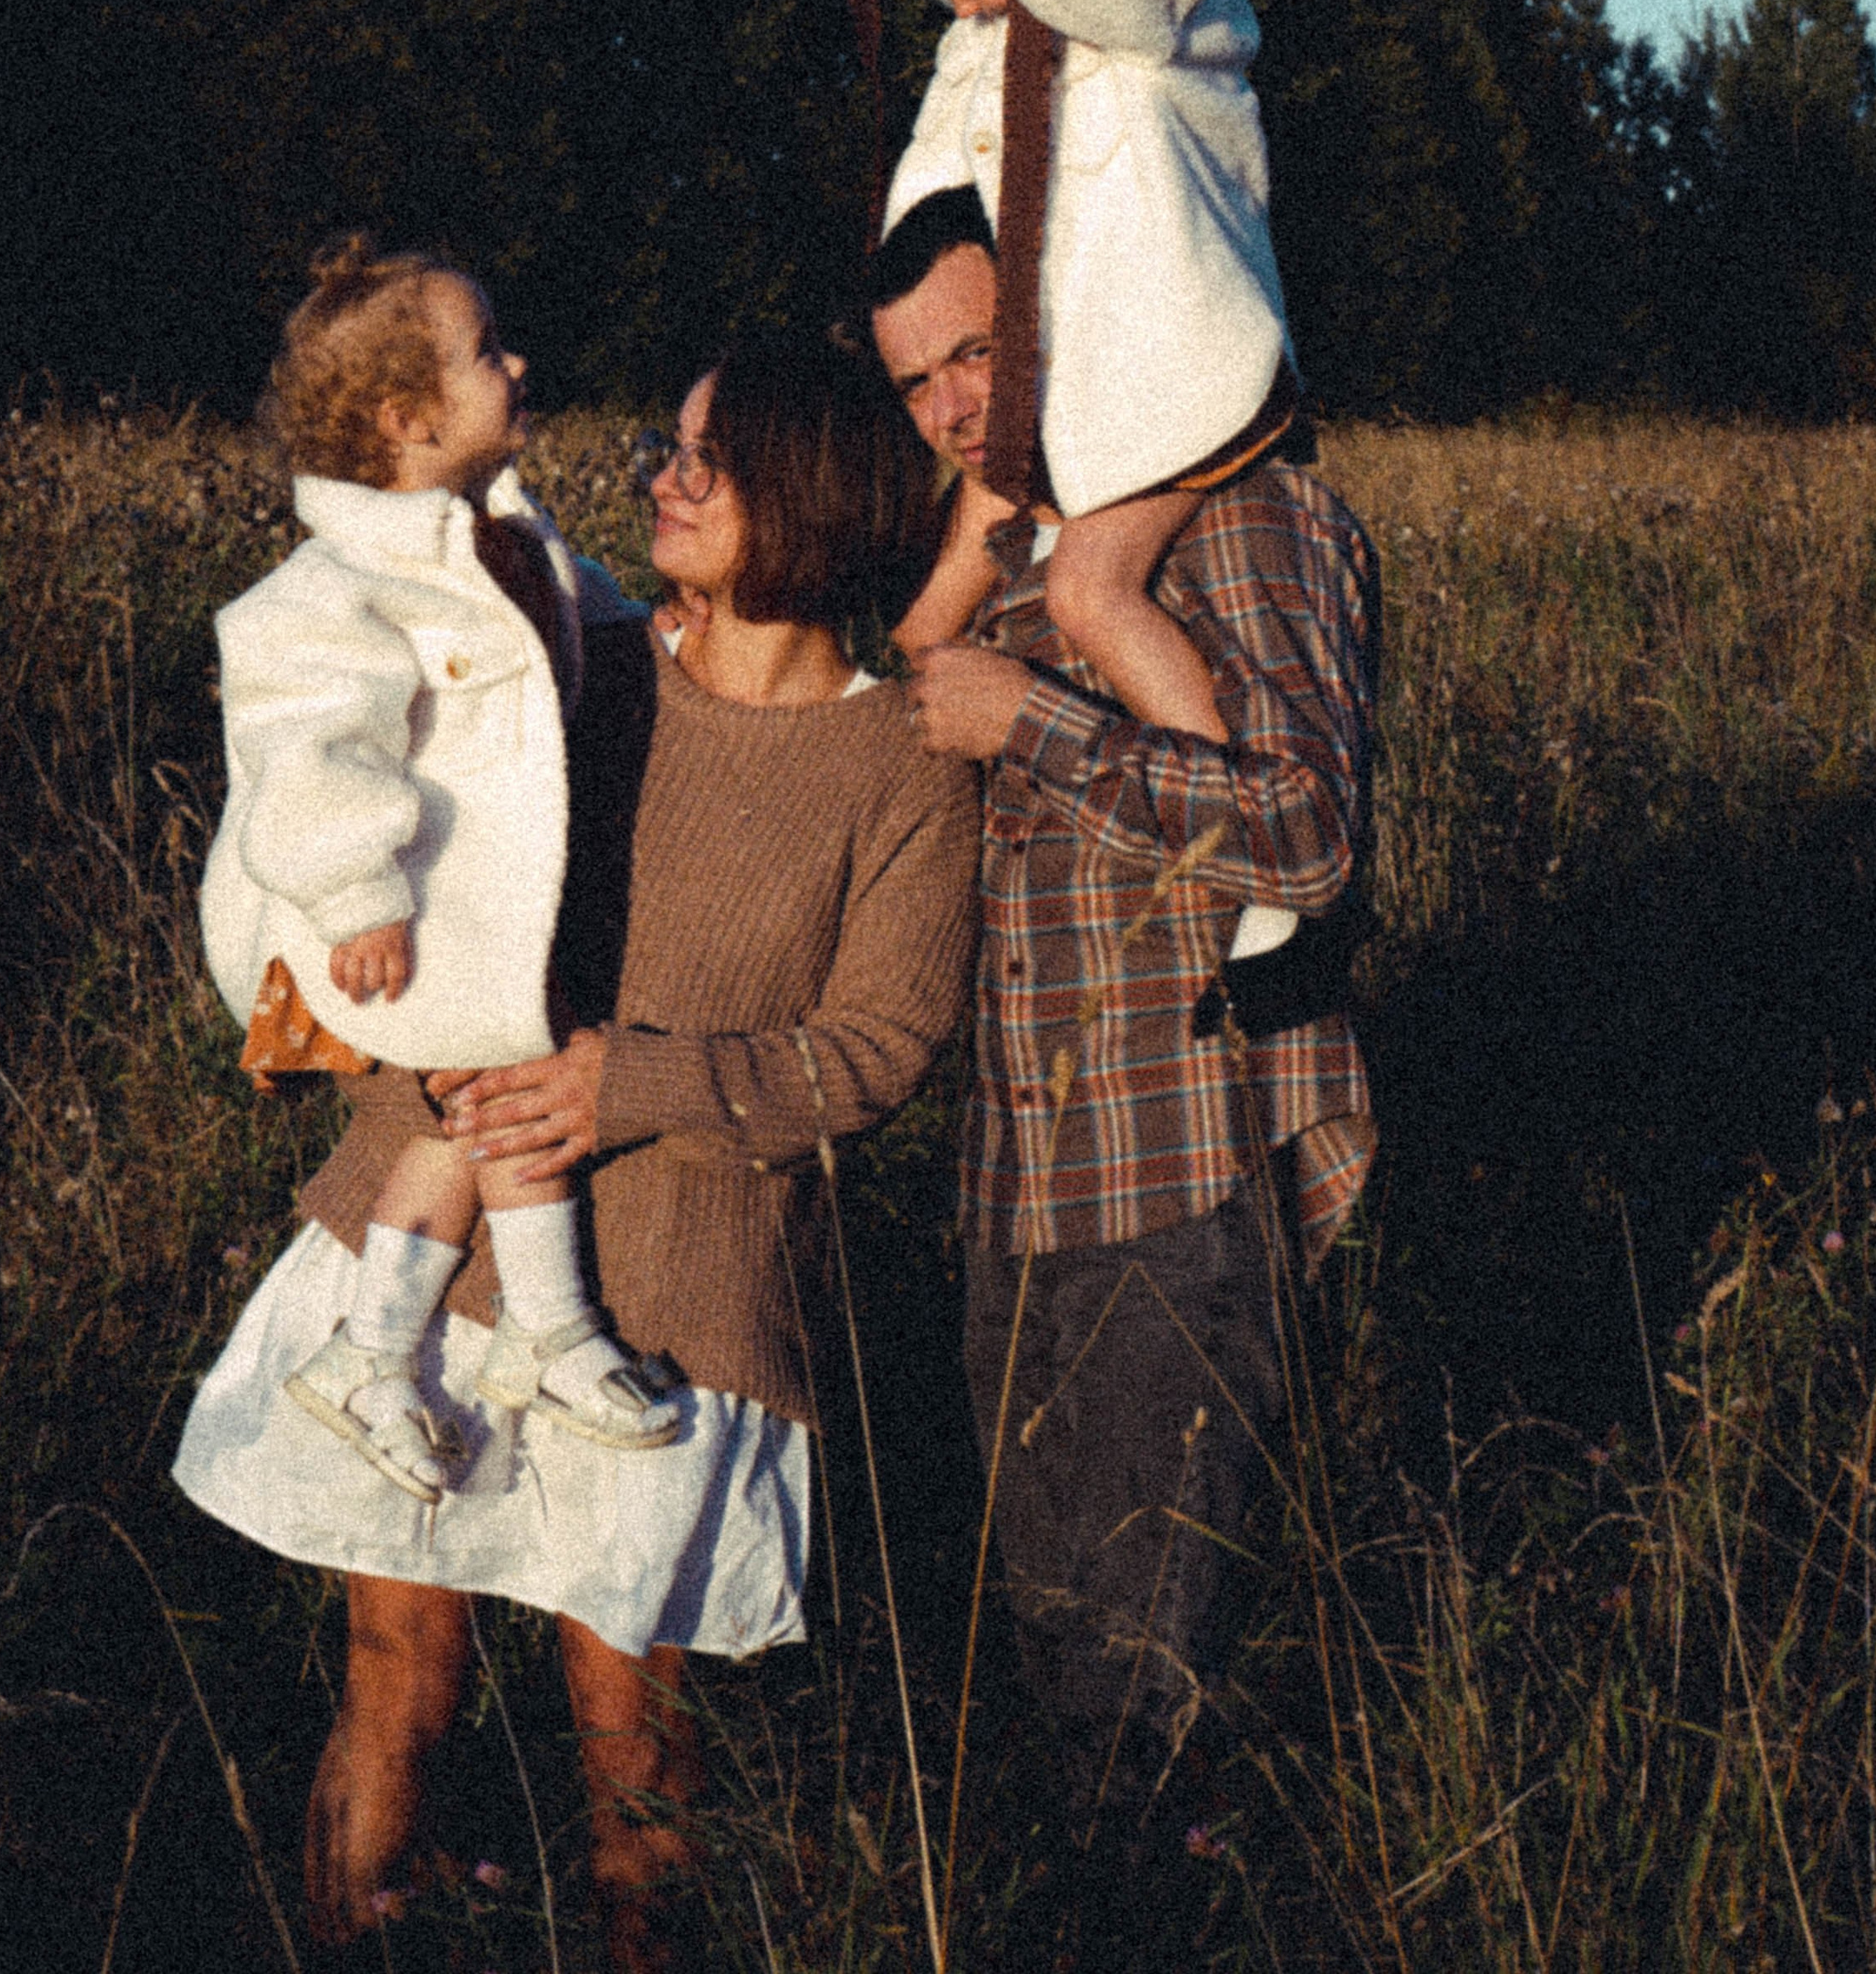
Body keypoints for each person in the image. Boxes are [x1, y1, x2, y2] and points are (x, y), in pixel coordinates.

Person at [175, 329, 978, 1966]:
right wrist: (302, 982)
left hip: (681, 1305)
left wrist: (640, 1086)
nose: (665, 477)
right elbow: (336, 760)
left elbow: (880, 1050)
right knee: (401, 1680)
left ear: (809, 492)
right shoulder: (582, 670)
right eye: (669, 449)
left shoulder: (904, 766)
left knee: (636, 1757)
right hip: (435, 1250)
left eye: (708, 455)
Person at [865, 190, 1378, 1890]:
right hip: (1015, 1206)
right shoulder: (1014, 557)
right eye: (912, 383)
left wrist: (1039, 722)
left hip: (1180, 1185)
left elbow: (1305, 841)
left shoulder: (1238, 522)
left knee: (1157, 1720)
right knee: (1058, 1686)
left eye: (969, 353)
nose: (947, 407)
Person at [699, 0, 1296, 752]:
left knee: (1088, 592)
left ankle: (1234, 822)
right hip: (1073, 390)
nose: (962, 10)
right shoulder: (995, 17)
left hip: (1183, 376)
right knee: (931, 629)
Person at [197, 238, 676, 1495]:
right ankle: (550, 1325)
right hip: (352, 909)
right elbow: (304, 745)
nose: (518, 363)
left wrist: (644, 634)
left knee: (478, 1103)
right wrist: (358, 893)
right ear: (410, 422)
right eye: (487, 353)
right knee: (517, 1077)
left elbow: (578, 614)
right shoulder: (336, 584)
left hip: (454, 907)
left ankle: (372, 1350)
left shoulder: (500, 538)